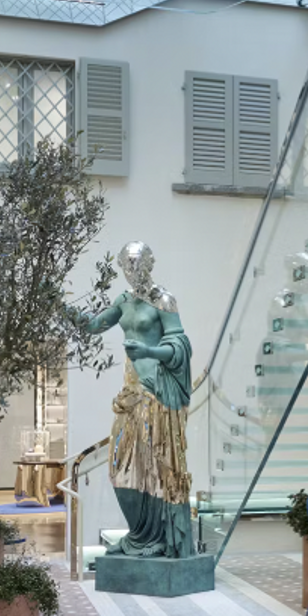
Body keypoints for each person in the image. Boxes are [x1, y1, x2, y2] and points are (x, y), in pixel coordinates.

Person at [82, 240, 195, 560]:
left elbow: (179, 346)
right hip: (130, 395)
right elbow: (93, 325)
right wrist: (64, 309)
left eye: (137, 263)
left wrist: (148, 351)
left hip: (157, 392)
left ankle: (158, 538)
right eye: (126, 264)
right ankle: (140, 535)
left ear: (149, 263)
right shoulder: (124, 300)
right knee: (120, 467)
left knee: (158, 469)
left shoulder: (164, 300)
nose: (132, 270)